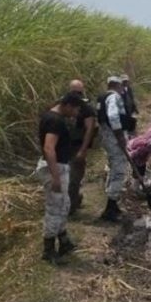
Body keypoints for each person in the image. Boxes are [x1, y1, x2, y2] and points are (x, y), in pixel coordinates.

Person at [36, 92, 85, 262]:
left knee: (64, 205)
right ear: (68, 105)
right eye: (76, 109)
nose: (77, 113)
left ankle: (63, 241)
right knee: (54, 209)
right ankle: (48, 250)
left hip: (58, 166)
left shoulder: (53, 117)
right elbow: (49, 148)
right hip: (54, 168)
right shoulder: (55, 121)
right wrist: (55, 177)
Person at [97, 75, 134, 221]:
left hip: (106, 136)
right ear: (117, 86)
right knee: (119, 170)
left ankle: (111, 202)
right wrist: (120, 136)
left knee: (113, 166)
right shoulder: (114, 97)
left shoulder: (102, 96)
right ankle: (110, 207)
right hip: (114, 137)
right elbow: (113, 116)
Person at [66, 79, 97, 215]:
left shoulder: (86, 108)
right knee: (67, 178)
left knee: (74, 178)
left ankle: (71, 207)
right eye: (74, 92)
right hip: (64, 146)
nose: (76, 95)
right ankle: (73, 200)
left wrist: (83, 149)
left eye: (78, 92)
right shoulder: (65, 104)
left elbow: (90, 129)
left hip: (77, 146)